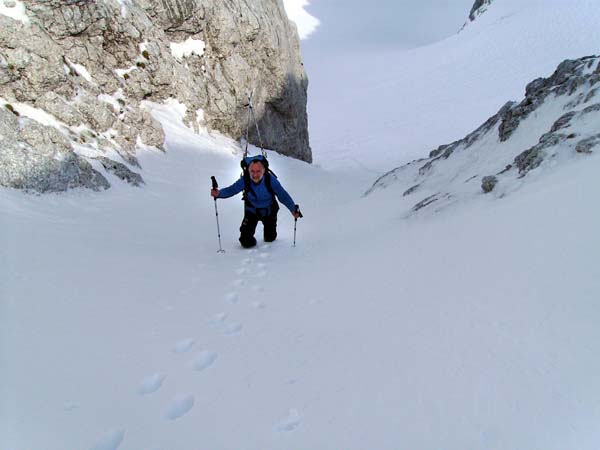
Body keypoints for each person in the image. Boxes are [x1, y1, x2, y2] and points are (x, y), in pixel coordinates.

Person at [210, 158, 301, 248]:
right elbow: (232, 190)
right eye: (252, 171)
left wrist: (293, 209)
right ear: (248, 171)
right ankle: (251, 240)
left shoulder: (270, 180)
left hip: (269, 211)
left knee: (270, 238)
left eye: (258, 171)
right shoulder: (245, 179)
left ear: (264, 170)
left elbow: (283, 195)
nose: (255, 174)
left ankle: (268, 235)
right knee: (245, 242)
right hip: (252, 211)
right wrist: (219, 193)